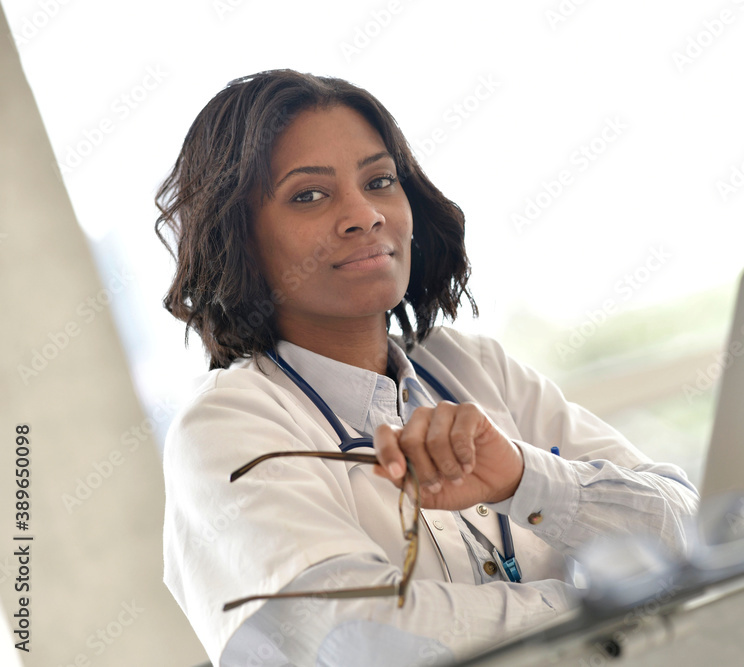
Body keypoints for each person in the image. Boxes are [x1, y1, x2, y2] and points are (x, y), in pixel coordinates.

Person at [156, 69, 698, 666]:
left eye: (380, 180)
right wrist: (611, 605)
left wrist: (526, 478)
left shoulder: (475, 367)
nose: (363, 215)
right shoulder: (226, 430)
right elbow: (361, 641)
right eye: (308, 195)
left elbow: (693, 531)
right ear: (239, 238)